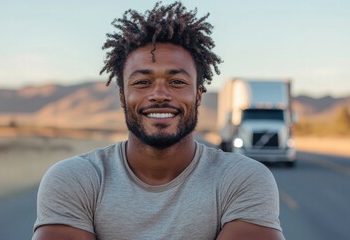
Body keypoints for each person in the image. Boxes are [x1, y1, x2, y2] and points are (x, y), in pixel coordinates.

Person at [32, 2, 285, 240]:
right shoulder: (75, 179)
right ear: (122, 97)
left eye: (177, 82)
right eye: (142, 82)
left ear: (198, 96)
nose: (160, 95)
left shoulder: (243, 179)